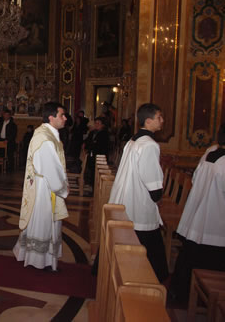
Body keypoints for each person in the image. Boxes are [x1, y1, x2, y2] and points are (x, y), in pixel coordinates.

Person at [109, 103, 169, 282]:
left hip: (127, 197)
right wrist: (158, 197)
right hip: (138, 203)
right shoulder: (149, 145)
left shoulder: (134, 140)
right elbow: (151, 177)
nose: (162, 120)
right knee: (145, 247)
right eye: (159, 117)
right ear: (149, 121)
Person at [169, 123, 225, 302]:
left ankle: (181, 293)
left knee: (191, 256)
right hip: (216, 223)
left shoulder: (210, 153)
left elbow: (195, 178)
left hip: (199, 215)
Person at [13, 102, 70, 271]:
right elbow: (50, 168)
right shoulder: (44, 138)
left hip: (45, 185)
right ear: (51, 117)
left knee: (43, 222)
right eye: (62, 115)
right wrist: (63, 187)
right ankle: (39, 259)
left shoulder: (49, 134)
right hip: (44, 189)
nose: (65, 118)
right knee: (42, 222)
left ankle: (39, 257)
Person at [83, 117, 109, 187]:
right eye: (96, 123)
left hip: (100, 156)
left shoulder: (104, 133)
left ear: (102, 125)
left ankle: (95, 186)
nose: (96, 124)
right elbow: (88, 142)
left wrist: (93, 143)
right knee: (91, 169)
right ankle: (90, 184)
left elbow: (101, 145)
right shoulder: (92, 132)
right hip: (92, 154)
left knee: (95, 171)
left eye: (98, 123)